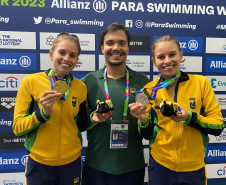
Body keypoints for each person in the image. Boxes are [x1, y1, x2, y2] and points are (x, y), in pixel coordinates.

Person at [129, 35, 225, 185]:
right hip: (160, 166)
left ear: (181, 56)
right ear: (154, 61)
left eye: (172, 54)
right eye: (161, 57)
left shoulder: (201, 84)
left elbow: (218, 126)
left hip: (193, 169)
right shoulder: (147, 91)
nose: (167, 61)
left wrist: (189, 117)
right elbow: (146, 135)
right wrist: (143, 120)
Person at [13, 32, 93, 185]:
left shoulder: (80, 87)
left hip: (72, 163)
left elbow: (81, 124)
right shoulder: (30, 82)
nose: (67, 59)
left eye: (72, 55)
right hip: (39, 164)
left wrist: (94, 119)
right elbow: (17, 128)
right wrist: (42, 113)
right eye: (62, 52)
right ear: (51, 54)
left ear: (77, 60)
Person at [82, 22, 150, 185]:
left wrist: (144, 120)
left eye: (122, 43)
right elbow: (80, 124)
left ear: (128, 47)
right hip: (96, 166)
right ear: (102, 47)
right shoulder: (89, 81)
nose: (116, 48)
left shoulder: (143, 81)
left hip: (132, 167)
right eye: (110, 43)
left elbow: (148, 132)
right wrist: (93, 118)